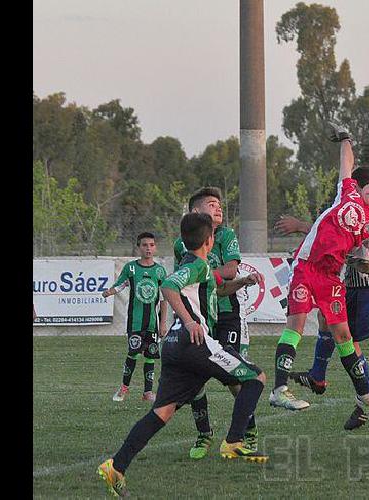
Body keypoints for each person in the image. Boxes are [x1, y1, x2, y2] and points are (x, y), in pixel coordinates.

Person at [97, 212, 267, 497]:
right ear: (209, 240)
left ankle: (116, 466)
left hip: (175, 347)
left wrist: (244, 281)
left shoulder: (197, 266)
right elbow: (168, 286)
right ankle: (235, 441)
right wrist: (190, 321)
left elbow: (219, 290)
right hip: (194, 342)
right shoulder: (198, 265)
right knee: (256, 377)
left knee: (162, 412)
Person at [267, 125, 369, 431]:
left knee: (345, 338)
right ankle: (280, 390)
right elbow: (346, 163)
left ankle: (367, 401)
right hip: (306, 268)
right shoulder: (347, 192)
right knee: (295, 326)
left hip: (332, 279)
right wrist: (347, 139)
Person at [172, 187, 259, 460]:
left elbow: (231, 270)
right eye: (212, 204)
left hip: (228, 314)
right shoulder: (181, 243)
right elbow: (180, 281)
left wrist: (203, 276)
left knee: (236, 377)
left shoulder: (227, 235)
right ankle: (204, 433)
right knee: (196, 380)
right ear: (195, 212)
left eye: (220, 205)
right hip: (202, 318)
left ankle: (247, 433)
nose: (219, 208)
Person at [103, 232, 168, 403]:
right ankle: (124, 388)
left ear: (155, 247)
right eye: (145, 245)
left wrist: (162, 324)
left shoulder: (160, 271)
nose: (148, 248)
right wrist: (110, 291)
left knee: (150, 356)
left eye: (151, 245)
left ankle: (148, 392)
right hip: (135, 322)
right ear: (139, 247)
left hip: (152, 323)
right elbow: (121, 284)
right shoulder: (131, 268)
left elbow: (163, 300)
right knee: (133, 354)